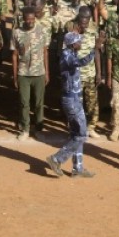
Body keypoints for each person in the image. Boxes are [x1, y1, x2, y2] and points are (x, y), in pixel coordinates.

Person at [46, 31, 96, 178]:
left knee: (76, 134)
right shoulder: (67, 55)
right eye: (79, 41)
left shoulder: (70, 53)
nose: (80, 43)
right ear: (73, 44)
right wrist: (95, 50)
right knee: (81, 134)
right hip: (72, 100)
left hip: (74, 99)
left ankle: (77, 168)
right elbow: (81, 62)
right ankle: (56, 159)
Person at [11, 8, 50, 141]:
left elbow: (45, 52)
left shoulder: (42, 31)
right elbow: (14, 55)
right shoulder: (17, 33)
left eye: (32, 19)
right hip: (23, 73)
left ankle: (38, 129)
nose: (30, 22)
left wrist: (47, 72)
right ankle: (25, 129)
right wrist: (15, 75)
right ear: (23, 19)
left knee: (39, 103)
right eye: (27, 19)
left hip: (39, 72)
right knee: (24, 103)